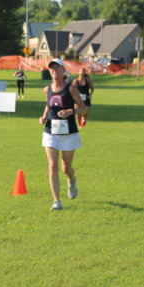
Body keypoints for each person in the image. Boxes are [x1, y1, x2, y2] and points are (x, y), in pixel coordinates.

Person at [38, 58, 88, 211]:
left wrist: (71, 111)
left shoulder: (71, 89)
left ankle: (72, 181)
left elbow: (83, 108)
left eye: (57, 67)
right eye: (51, 68)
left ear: (63, 70)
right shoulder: (47, 89)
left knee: (66, 168)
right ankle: (56, 201)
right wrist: (44, 116)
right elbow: (48, 105)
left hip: (68, 133)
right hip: (50, 132)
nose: (54, 70)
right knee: (53, 166)